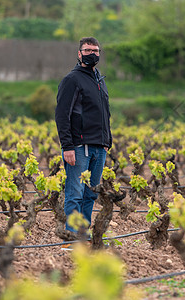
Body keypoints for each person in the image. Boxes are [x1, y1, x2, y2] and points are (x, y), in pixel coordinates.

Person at [55, 37, 112, 236]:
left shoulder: (99, 79)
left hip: (99, 146)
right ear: (79, 54)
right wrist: (67, 146)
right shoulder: (72, 80)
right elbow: (62, 115)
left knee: (90, 194)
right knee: (75, 193)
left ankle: (84, 233)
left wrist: (108, 141)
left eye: (95, 50)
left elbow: (105, 112)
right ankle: (72, 236)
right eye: (87, 50)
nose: (92, 54)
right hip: (79, 147)